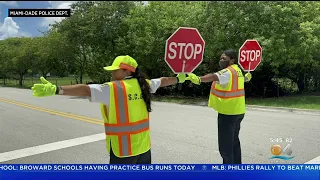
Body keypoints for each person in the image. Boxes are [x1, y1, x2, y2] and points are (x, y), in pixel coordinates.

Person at [31, 55, 186, 164]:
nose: (112, 73)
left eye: (115, 70)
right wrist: (179, 78)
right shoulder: (144, 84)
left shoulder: (112, 89)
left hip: (123, 151)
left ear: (127, 71)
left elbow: (86, 90)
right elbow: (163, 81)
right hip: (144, 149)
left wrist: (57, 89)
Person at [186, 49, 252, 164]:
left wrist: (199, 79)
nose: (221, 60)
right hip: (239, 112)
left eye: (224, 58)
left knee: (225, 148)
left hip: (228, 114)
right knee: (234, 143)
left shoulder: (227, 72)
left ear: (232, 60)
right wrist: (247, 77)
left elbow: (213, 76)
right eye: (221, 58)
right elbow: (241, 81)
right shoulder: (238, 71)